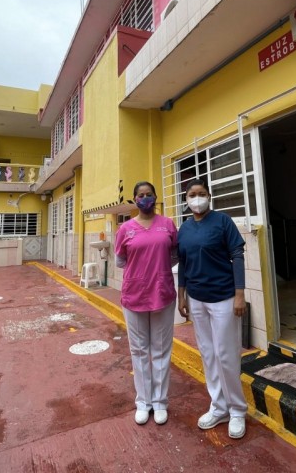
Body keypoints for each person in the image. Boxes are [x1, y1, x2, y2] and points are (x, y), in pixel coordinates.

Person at [177, 178, 248, 439]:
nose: (197, 198)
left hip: (223, 298)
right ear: (186, 200)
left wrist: (239, 294)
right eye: (192, 195)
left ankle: (238, 409)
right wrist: (181, 294)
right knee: (208, 354)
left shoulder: (222, 221)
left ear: (209, 196)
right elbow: (183, 263)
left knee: (226, 354)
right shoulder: (183, 229)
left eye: (202, 193)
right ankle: (219, 407)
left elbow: (237, 255)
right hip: (196, 299)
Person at [115, 181, 178, 426]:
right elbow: (120, 261)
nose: (145, 198)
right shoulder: (125, 229)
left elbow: (173, 255)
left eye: (149, 194)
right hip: (134, 296)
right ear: (134, 199)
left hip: (162, 294)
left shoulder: (168, 225)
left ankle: (160, 402)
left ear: (155, 197)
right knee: (139, 351)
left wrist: (156, 271)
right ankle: (144, 402)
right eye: (140, 195)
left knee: (161, 350)